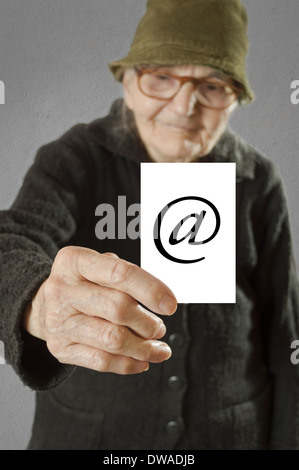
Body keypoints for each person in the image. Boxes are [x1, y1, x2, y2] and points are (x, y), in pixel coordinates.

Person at [0, 0, 299, 450]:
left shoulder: (257, 181)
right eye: (161, 77)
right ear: (129, 82)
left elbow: (285, 337)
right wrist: (38, 302)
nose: (184, 106)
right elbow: (10, 242)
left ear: (234, 99)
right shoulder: (74, 159)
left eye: (213, 85)